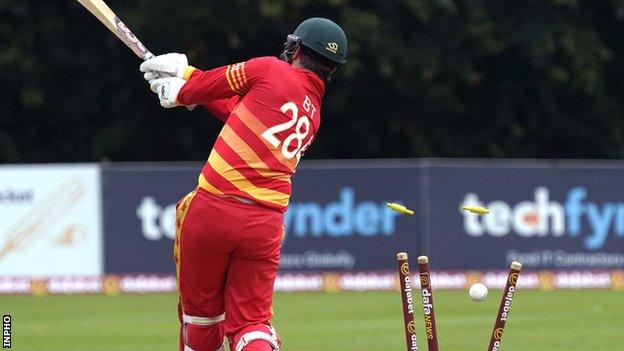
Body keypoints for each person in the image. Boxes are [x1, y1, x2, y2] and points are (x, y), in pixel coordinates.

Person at [139, 18, 347, 351]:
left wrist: (179, 87)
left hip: (214, 210)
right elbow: (237, 110)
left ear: (296, 48)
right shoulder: (313, 113)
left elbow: (199, 90)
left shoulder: (269, 70)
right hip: (265, 225)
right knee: (252, 325)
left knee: (201, 322)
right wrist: (187, 75)